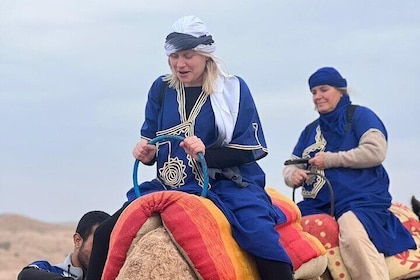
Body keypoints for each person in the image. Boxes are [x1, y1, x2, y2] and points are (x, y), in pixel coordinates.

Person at [86, 15, 293, 280]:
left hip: (226, 184)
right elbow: (151, 141)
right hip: (168, 184)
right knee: (105, 233)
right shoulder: (161, 89)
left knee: (260, 236)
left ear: (205, 55)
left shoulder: (232, 90)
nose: (179, 64)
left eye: (187, 56)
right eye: (174, 56)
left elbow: (250, 147)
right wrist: (145, 153)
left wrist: (207, 152)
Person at [283, 66, 417, 279]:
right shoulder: (310, 131)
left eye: (323, 90)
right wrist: (292, 176)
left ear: (341, 91)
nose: (317, 96)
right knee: (282, 228)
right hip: (316, 204)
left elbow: (375, 152)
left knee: (353, 237)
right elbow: (291, 164)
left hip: (360, 199)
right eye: (314, 92)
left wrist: (330, 159)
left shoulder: (361, 116)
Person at [17, 210, 110, 280]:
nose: (102, 252)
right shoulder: (49, 270)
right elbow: (25, 275)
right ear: (78, 241)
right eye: (97, 245)